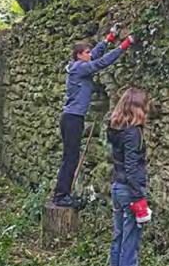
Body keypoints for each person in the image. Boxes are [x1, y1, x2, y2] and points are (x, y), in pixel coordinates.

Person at [53, 27, 135, 207]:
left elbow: (96, 55)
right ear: (78, 55)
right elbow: (100, 63)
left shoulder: (79, 65)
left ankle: (62, 193)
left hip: (73, 118)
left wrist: (109, 39)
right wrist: (123, 46)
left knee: (71, 157)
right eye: (87, 52)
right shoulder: (79, 68)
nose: (90, 54)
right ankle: (61, 195)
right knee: (70, 157)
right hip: (72, 119)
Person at [107, 87, 151, 266]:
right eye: (144, 105)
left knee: (118, 238)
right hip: (129, 190)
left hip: (117, 187)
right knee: (130, 244)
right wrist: (138, 198)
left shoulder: (116, 128)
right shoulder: (134, 133)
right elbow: (132, 168)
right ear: (138, 108)